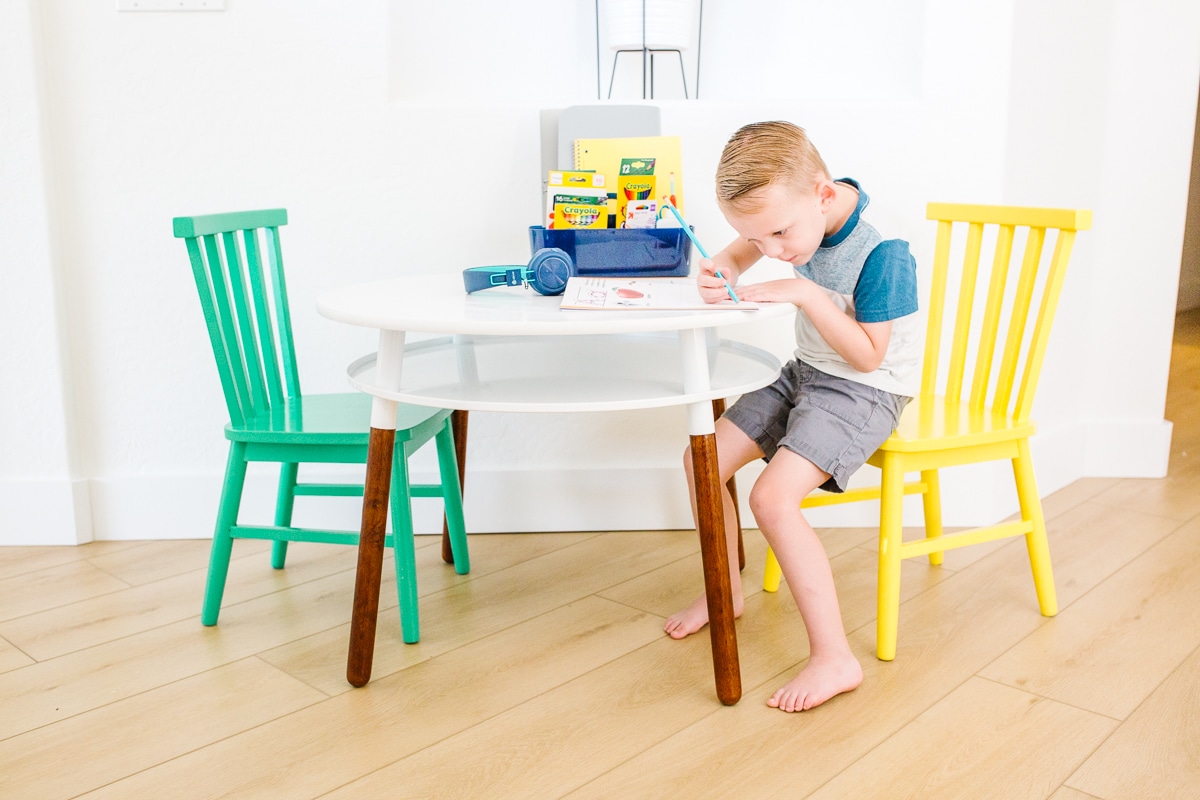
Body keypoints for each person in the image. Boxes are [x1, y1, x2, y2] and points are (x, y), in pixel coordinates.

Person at [664, 121, 922, 713]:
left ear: (823, 192)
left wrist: (802, 294)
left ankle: (835, 656)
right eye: (760, 238)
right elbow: (740, 252)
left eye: (780, 235)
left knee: (773, 500)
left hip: (866, 388)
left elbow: (867, 354)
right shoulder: (789, 212)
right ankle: (724, 591)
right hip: (807, 371)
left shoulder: (884, 252)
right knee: (702, 458)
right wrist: (721, 270)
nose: (775, 250)